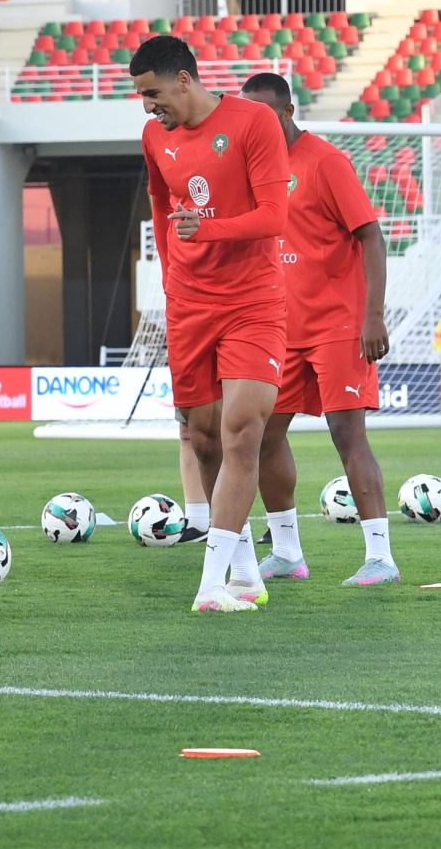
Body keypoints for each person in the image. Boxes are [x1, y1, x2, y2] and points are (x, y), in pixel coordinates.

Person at [130, 34, 288, 614]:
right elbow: (160, 202)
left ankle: (210, 585)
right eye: (142, 96)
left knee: (243, 427)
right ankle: (244, 572)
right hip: (190, 304)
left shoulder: (253, 123)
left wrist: (209, 231)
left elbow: (275, 216)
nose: (148, 106)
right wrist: (172, 275)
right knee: (202, 440)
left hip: (253, 300)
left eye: (152, 93)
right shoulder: (154, 137)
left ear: (185, 80)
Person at [238, 71, 398, 586]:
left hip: (338, 325)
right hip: (278, 327)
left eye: (262, 114)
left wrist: (373, 314)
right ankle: (286, 551)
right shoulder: (252, 169)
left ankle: (380, 557)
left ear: (286, 112)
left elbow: (371, 237)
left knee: (346, 433)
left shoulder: (326, 162)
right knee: (262, 435)